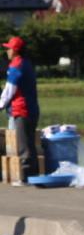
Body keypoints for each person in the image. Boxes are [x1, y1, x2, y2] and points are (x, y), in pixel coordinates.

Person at [1, 36, 39, 186]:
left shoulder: (16, 66)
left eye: (9, 48)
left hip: (21, 110)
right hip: (32, 109)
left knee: (23, 146)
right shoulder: (27, 63)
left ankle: (25, 178)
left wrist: (0, 105)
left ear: (15, 50)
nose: (7, 51)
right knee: (30, 143)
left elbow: (9, 90)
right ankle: (34, 176)